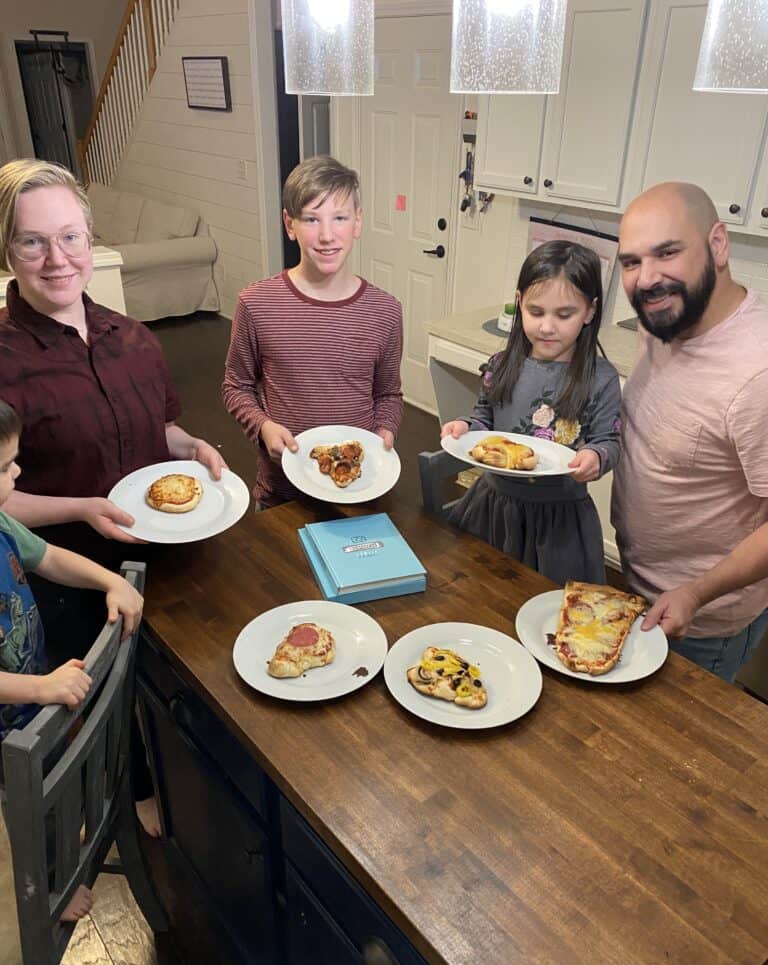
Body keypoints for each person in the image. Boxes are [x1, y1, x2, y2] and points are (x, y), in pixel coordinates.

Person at [0, 157, 225, 834]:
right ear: (8, 252)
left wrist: (192, 449)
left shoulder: (134, 338)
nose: (57, 259)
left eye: (71, 236)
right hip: (66, 576)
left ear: (92, 240)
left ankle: (184, 772)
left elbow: (159, 428)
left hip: (168, 554)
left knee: (184, 678)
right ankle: (131, 792)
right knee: (102, 699)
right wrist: (79, 509)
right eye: (32, 241)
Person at [613, 181, 768, 684]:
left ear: (718, 245)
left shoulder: (756, 373)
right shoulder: (663, 319)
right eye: (631, 262)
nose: (647, 278)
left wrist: (697, 593)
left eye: (667, 252)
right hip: (636, 584)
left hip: (700, 622)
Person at [0, 399, 143, 946]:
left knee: (49, 793)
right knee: (26, 811)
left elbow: (50, 558)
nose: (17, 473)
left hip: (31, 702)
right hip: (13, 722)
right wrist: (40, 686)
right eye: (6, 466)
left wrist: (109, 579)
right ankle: (52, 890)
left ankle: (55, 860)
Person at [222, 155, 403, 507]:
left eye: (339, 218)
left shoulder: (385, 311)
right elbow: (236, 386)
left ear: (358, 222)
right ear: (289, 224)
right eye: (311, 219)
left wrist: (385, 429)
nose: (326, 235)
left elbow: (389, 394)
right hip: (283, 493)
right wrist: (262, 426)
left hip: (362, 490)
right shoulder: (257, 304)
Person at [441, 240, 621, 585]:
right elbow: (484, 418)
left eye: (564, 315)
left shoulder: (601, 379)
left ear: (590, 311)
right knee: (484, 589)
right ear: (520, 302)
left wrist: (596, 456)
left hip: (559, 519)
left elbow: (608, 440)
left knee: (545, 603)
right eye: (536, 312)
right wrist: (466, 426)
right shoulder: (501, 363)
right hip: (493, 506)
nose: (547, 327)